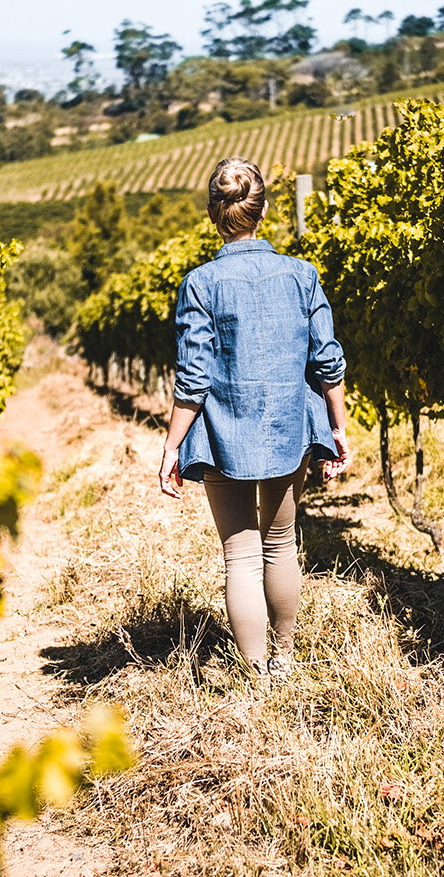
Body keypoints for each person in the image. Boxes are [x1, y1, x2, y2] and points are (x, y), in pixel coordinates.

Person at [158, 157, 351, 680]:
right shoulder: (302, 275)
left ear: (214, 215)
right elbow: (326, 360)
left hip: (223, 434)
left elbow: (193, 377)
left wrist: (172, 446)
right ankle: (286, 658)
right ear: (263, 210)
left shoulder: (201, 283)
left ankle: (256, 672)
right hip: (290, 427)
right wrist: (336, 427)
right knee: (282, 542)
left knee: (239, 555)